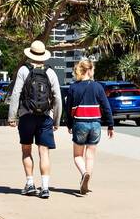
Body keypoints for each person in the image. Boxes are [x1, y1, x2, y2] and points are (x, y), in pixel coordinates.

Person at [7, 41, 62, 199]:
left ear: (30, 53)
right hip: (45, 116)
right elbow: (57, 97)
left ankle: (30, 184)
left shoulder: (24, 70)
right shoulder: (50, 72)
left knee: (26, 150)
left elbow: (16, 93)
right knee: (44, 152)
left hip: (26, 116)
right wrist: (56, 120)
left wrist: (12, 117)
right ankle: (45, 188)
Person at [64, 58, 113, 195]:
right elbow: (106, 107)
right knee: (90, 156)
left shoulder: (74, 87)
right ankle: (87, 179)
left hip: (80, 123)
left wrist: (69, 124)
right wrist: (110, 125)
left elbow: (68, 109)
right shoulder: (98, 87)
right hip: (96, 124)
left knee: (77, 155)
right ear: (90, 70)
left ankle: (84, 173)